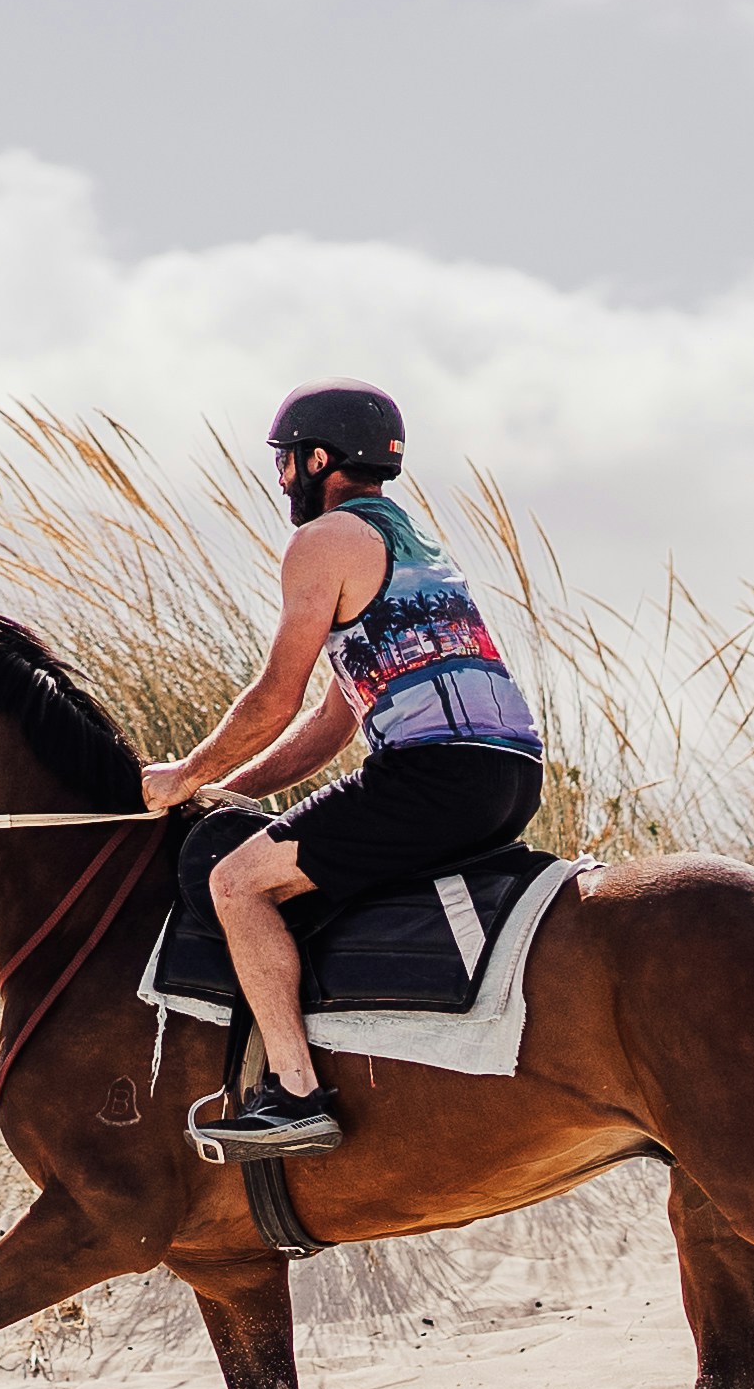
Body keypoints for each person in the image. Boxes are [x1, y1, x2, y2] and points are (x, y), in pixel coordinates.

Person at [135, 381, 546, 1160]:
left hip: (433, 776)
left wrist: (183, 775)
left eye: (288, 461)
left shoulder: (324, 541)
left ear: (319, 460)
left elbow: (275, 697)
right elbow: (332, 722)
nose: (282, 477)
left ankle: (295, 1096)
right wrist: (230, 792)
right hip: (512, 777)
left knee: (238, 884)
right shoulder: (415, 546)